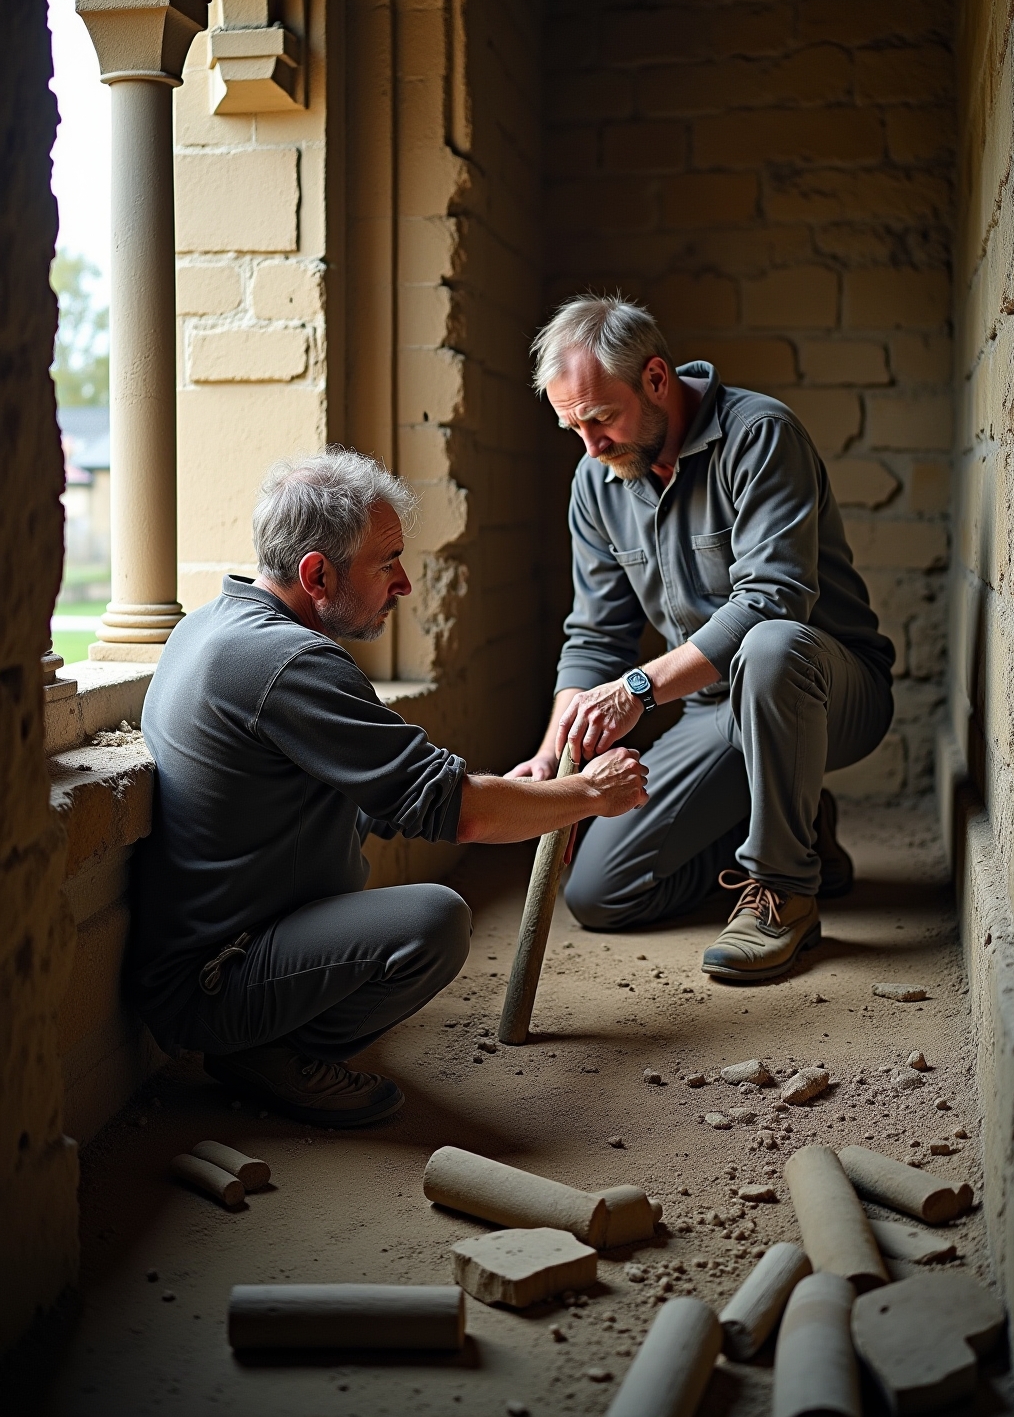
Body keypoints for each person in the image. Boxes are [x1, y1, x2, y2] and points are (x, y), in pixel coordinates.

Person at [129, 450, 647, 1127]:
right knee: (432, 923)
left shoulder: (211, 625)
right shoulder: (290, 663)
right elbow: (458, 814)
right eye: (386, 562)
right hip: (218, 979)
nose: (403, 583)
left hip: (219, 953)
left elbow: (399, 792)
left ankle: (260, 1040)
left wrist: (511, 793)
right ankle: (265, 1053)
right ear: (317, 573)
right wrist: (588, 794)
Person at [507, 293, 895, 983]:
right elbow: (596, 634)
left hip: (824, 689)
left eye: (601, 419)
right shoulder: (597, 483)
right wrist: (551, 759)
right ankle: (798, 823)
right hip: (715, 711)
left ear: (657, 379)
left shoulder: (759, 435)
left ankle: (784, 891)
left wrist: (638, 690)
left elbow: (774, 599)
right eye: (573, 427)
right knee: (602, 894)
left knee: (771, 644)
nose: (592, 448)